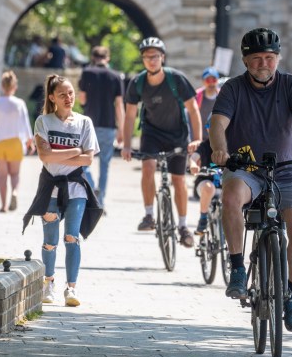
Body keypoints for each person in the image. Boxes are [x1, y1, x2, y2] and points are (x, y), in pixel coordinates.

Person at [209, 28, 292, 332]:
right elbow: (218, 123)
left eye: (270, 58)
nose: (264, 63)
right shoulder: (233, 89)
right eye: (257, 58)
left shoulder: (290, 85)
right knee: (232, 196)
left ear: (278, 58)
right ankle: (237, 268)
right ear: (246, 61)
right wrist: (220, 149)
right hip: (247, 168)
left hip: (288, 171)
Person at [23, 74, 100, 307]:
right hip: (50, 187)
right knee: (50, 240)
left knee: (72, 237)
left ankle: (71, 288)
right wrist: (75, 151)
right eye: (62, 94)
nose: (68, 98)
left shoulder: (84, 122)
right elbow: (44, 155)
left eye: (70, 93)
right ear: (52, 98)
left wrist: (64, 154)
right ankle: (49, 283)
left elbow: (89, 160)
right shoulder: (43, 122)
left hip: (76, 187)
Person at [120, 37, 202, 248]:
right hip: (152, 134)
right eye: (147, 57)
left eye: (155, 56)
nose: (151, 60)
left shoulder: (176, 79)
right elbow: (130, 115)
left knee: (178, 181)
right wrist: (127, 145)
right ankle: (149, 215)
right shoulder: (138, 83)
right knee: (148, 167)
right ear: (143, 60)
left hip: (177, 134)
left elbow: (193, 109)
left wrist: (197, 140)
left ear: (162, 58)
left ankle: (183, 227)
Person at [78, 45, 125, 206]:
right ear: (108, 58)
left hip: (88, 126)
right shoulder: (116, 76)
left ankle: (91, 185)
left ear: (93, 57)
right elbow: (119, 105)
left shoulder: (86, 73)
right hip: (109, 125)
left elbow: (82, 99)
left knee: (83, 162)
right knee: (105, 165)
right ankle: (101, 202)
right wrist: (122, 129)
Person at [0, 70, 34, 212]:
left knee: (2, 175)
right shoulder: (19, 103)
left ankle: (3, 205)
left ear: (2, 86)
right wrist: (30, 142)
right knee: (15, 174)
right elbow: (26, 125)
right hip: (15, 143)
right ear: (15, 86)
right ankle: (15, 192)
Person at [189, 67, 222, 235]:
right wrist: (193, 164)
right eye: (207, 79)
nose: (211, 83)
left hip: (226, 183)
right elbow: (194, 157)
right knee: (208, 187)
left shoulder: (231, 144)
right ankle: (203, 218)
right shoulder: (199, 96)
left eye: (213, 79)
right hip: (200, 140)